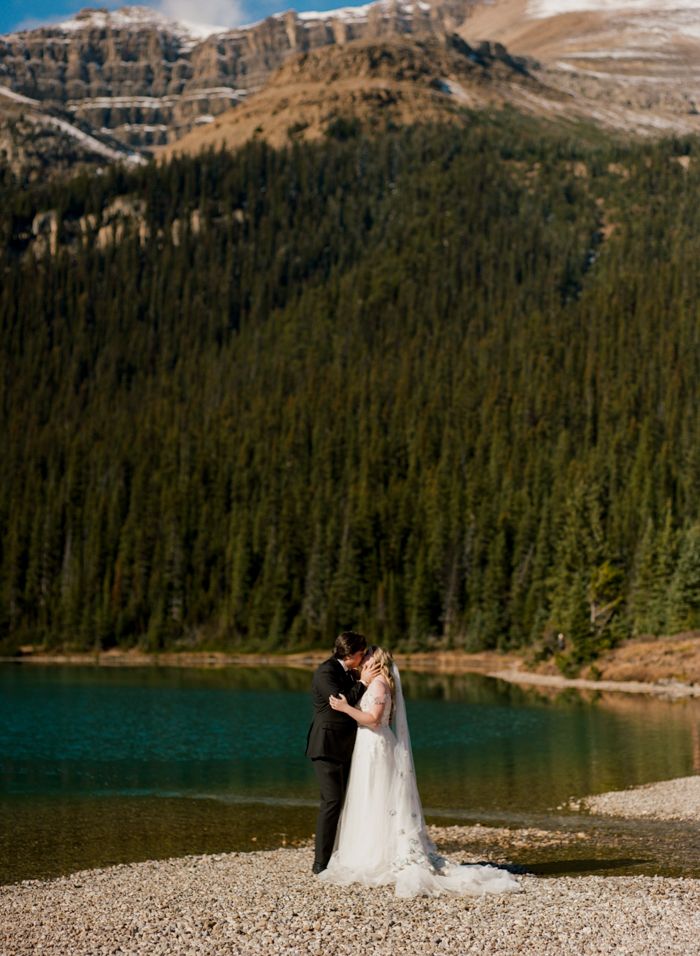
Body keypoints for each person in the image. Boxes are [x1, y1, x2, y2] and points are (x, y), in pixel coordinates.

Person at [319, 645, 521, 899]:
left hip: (375, 746)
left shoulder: (379, 684)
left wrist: (346, 708)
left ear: (377, 661)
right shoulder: (375, 683)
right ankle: (367, 850)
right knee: (370, 797)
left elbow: (372, 719)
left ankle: (380, 856)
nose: (363, 657)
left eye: (368, 654)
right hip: (368, 745)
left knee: (377, 795)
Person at [305, 631, 381, 875]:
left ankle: (343, 854)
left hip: (348, 747)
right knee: (331, 802)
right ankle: (320, 864)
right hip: (327, 746)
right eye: (361, 653)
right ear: (349, 655)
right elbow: (339, 705)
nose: (363, 657)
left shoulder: (350, 671)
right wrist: (364, 683)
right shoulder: (326, 671)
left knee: (347, 801)